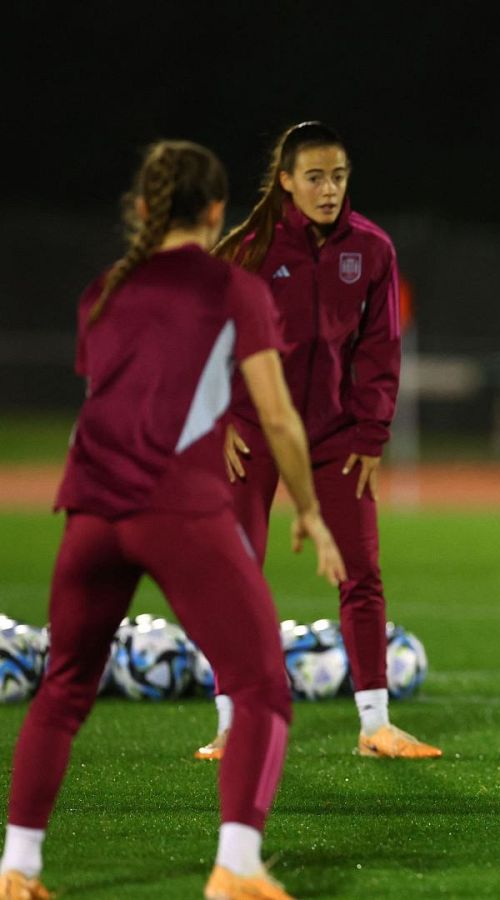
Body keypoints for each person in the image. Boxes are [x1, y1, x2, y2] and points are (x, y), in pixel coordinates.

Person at [0, 141, 345, 900]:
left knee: (63, 690)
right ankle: (236, 867)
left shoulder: (102, 292)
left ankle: (16, 870)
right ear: (217, 210)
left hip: (89, 513)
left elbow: (124, 395)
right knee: (261, 686)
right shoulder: (233, 287)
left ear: (144, 208)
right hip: (176, 510)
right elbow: (278, 418)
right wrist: (311, 512)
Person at [207, 122, 439, 760]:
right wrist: (219, 418)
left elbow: (381, 347)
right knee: (236, 572)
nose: (329, 188)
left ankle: (375, 725)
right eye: (314, 177)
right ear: (286, 181)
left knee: (361, 571)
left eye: (338, 176)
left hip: (338, 437)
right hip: (254, 431)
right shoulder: (247, 249)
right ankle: (232, 722)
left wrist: (371, 431)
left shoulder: (372, 248)